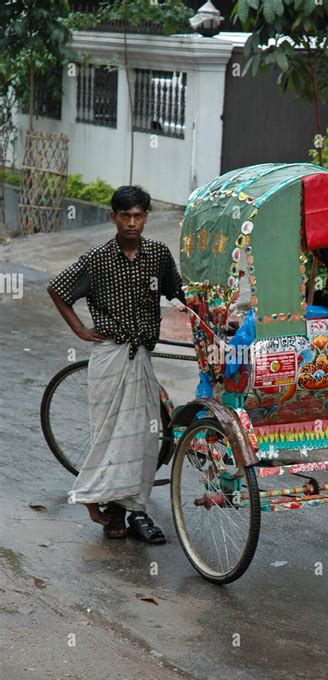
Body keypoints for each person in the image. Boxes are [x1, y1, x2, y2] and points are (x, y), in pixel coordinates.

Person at [47, 185, 185, 542]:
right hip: (109, 355)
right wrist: (79, 329)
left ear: (146, 218)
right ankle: (101, 504)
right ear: (113, 217)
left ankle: (132, 512)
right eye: (125, 216)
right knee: (109, 436)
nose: (132, 223)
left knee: (143, 438)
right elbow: (57, 290)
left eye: (138, 216)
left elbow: (179, 292)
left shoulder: (157, 254)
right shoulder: (96, 259)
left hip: (141, 357)